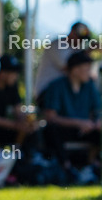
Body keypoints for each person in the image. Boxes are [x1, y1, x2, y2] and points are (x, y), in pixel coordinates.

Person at [38, 51, 102, 184]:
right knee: (51, 130)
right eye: (86, 69)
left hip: (85, 130)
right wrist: (78, 123)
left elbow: (97, 111)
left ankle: (90, 167)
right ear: (75, 70)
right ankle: (66, 169)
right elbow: (51, 117)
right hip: (63, 130)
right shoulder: (56, 86)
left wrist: (96, 123)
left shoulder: (89, 86)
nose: (89, 72)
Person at [34, 22, 91, 99]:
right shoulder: (57, 45)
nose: (80, 41)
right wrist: (89, 50)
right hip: (47, 91)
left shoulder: (75, 49)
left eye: (83, 40)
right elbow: (72, 68)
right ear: (72, 33)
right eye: (79, 38)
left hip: (62, 92)